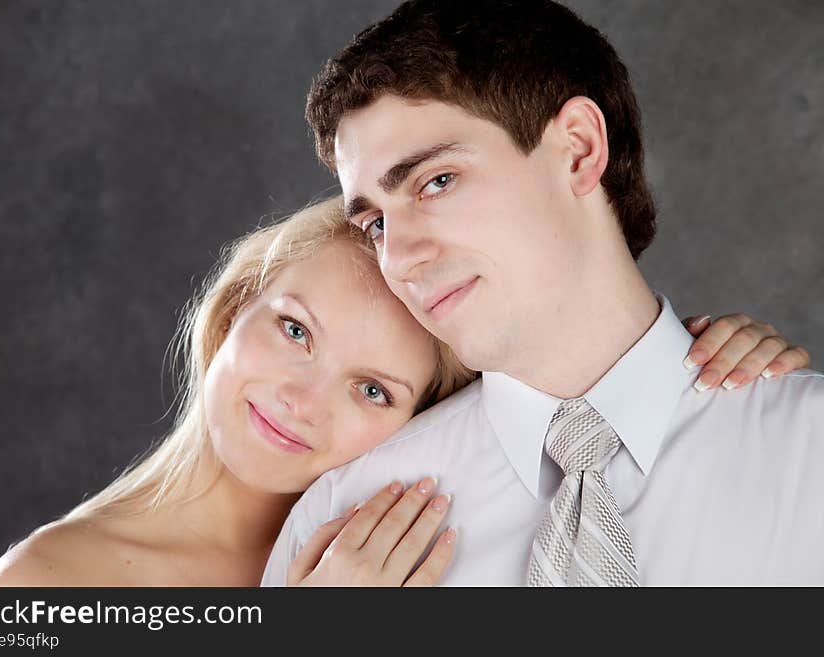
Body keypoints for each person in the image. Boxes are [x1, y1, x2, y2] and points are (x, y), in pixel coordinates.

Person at [262, 0, 822, 586]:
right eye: (376, 223)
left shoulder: (809, 452)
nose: (399, 259)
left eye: (437, 182)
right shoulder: (337, 530)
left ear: (578, 149)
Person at [0, 196, 797, 586]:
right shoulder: (47, 580)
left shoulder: (448, 536)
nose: (303, 398)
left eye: (372, 389)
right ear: (233, 309)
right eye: (296, 330)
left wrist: (685, 368)